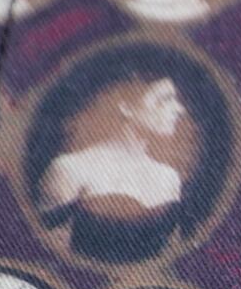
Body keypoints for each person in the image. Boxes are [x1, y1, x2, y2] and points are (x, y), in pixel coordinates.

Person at [38, 77, 190, 263]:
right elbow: (48, 257)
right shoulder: (71, 168)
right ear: (126, 107)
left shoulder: (168, 177)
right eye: (165, 99)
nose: (179, 109)